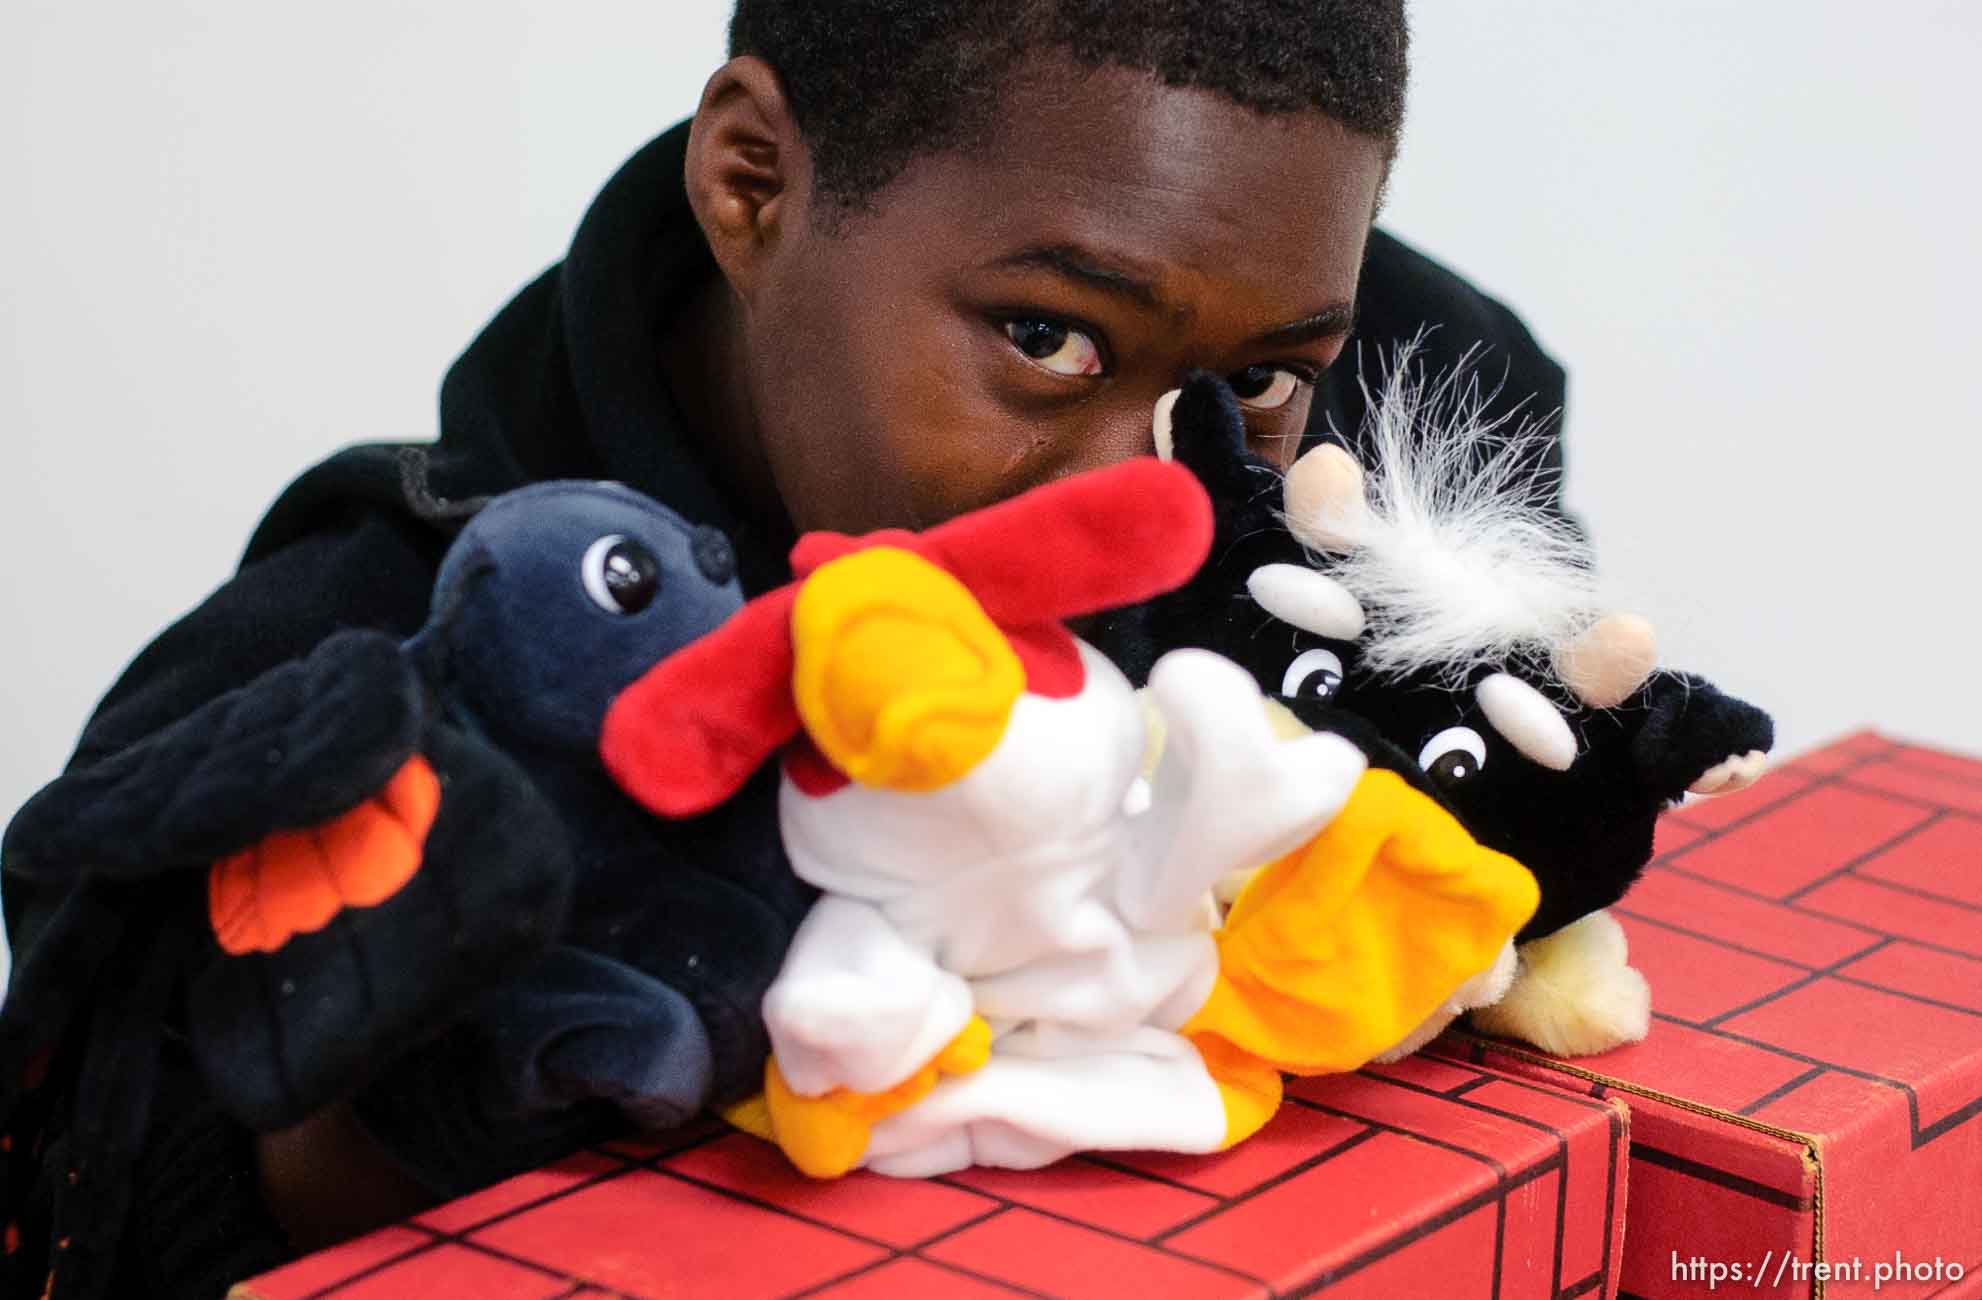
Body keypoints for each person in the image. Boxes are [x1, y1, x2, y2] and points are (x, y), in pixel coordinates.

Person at [0, 2, 1567, 1296]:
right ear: (752, 181)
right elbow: (110, 1239)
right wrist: (417, 1100)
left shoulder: (1394, 419)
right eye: (1043, 338)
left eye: (1259, 383)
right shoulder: (349, 664)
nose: (1149, 505)